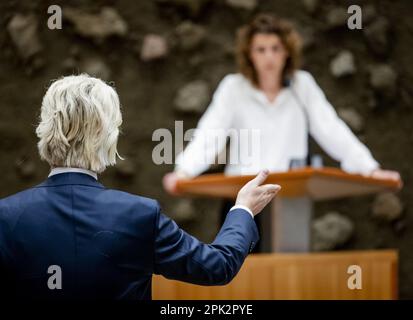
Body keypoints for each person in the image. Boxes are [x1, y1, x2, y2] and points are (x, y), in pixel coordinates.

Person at [0, 74, 281, 300]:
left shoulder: (6, 216)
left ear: (46, 129)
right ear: (104, 135)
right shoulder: (139, 214)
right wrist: (243, 208)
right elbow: (217, 267)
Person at [163, 14, 401, 250]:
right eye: (261, 49)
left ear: (287, 51)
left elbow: (331, 129)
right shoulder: (233, 88)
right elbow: (210, 133)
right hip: (244, 196)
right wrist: (184, 171)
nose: (269, 56)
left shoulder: (302, 85)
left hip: (290, 198)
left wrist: (370, 169)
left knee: (289, 276)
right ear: (249, 53)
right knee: (240, 273)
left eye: (275, 48)